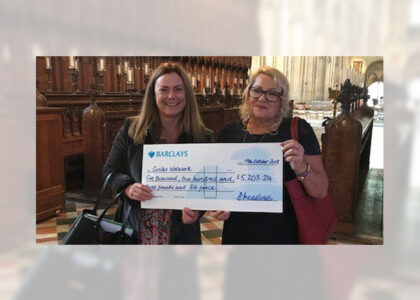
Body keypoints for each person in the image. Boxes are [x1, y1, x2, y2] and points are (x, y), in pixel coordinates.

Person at [211, 66, 329, 244]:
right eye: (256, 91)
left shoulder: (298, 130)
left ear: (282, 100)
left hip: (282, 233)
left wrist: (302, 168)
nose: (262, 98)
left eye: (272, 93)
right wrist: (221, 204)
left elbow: (320, 190)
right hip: (238, 231)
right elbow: (220, 183)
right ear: (247, 94)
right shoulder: (229, 132)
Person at [103, 62, 212, 244]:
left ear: (187, 94)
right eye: (164, 90)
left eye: (178, 89)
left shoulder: (202, 137)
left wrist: (197, 211)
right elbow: (110, 171)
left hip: (180, 232)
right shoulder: (132, 129)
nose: (171, 96)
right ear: (153, 95)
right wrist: (128, 188)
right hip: (136, 228)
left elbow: (207, 184)